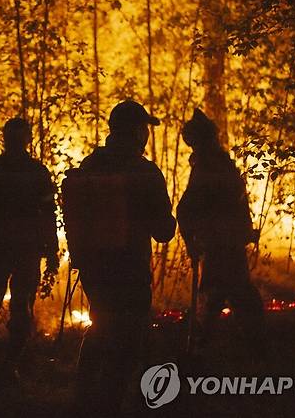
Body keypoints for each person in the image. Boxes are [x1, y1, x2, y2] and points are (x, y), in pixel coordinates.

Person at [62, 100, 176, 416]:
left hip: (94, 270)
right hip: (130, 270)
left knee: (100, 326)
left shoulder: (89, 166)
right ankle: (109, 405)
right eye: (144, 128)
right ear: (137, 131)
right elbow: (164, 231)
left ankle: (82, 398)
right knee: (127, 338)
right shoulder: (144, 172)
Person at [0, 117, 59, 371]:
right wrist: (51, 250)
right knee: (14, 305)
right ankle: (7, 362)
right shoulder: (36, 171)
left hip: (6, 246)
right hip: (21, 248)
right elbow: (49, 213)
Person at [177, 108, 265, 353]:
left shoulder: (210, 165)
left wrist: (191, 239)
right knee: (233, 293)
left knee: (221, 294)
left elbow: (188, 208)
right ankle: (245, 347)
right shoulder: (219, 163)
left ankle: (203, 348)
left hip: (220, 243)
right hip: (225, 241)